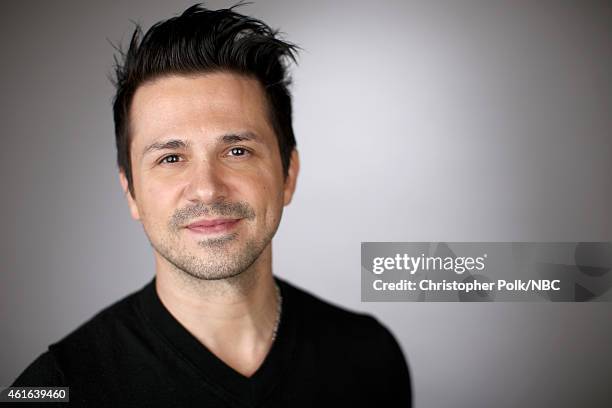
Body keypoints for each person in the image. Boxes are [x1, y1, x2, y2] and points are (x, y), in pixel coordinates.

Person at [12, 4, 412, 406]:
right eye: (171, 158)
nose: (206, 189)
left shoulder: (369, 356)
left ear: (288, 174)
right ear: (131, 191)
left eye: (237, 151)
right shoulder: (52, 390)